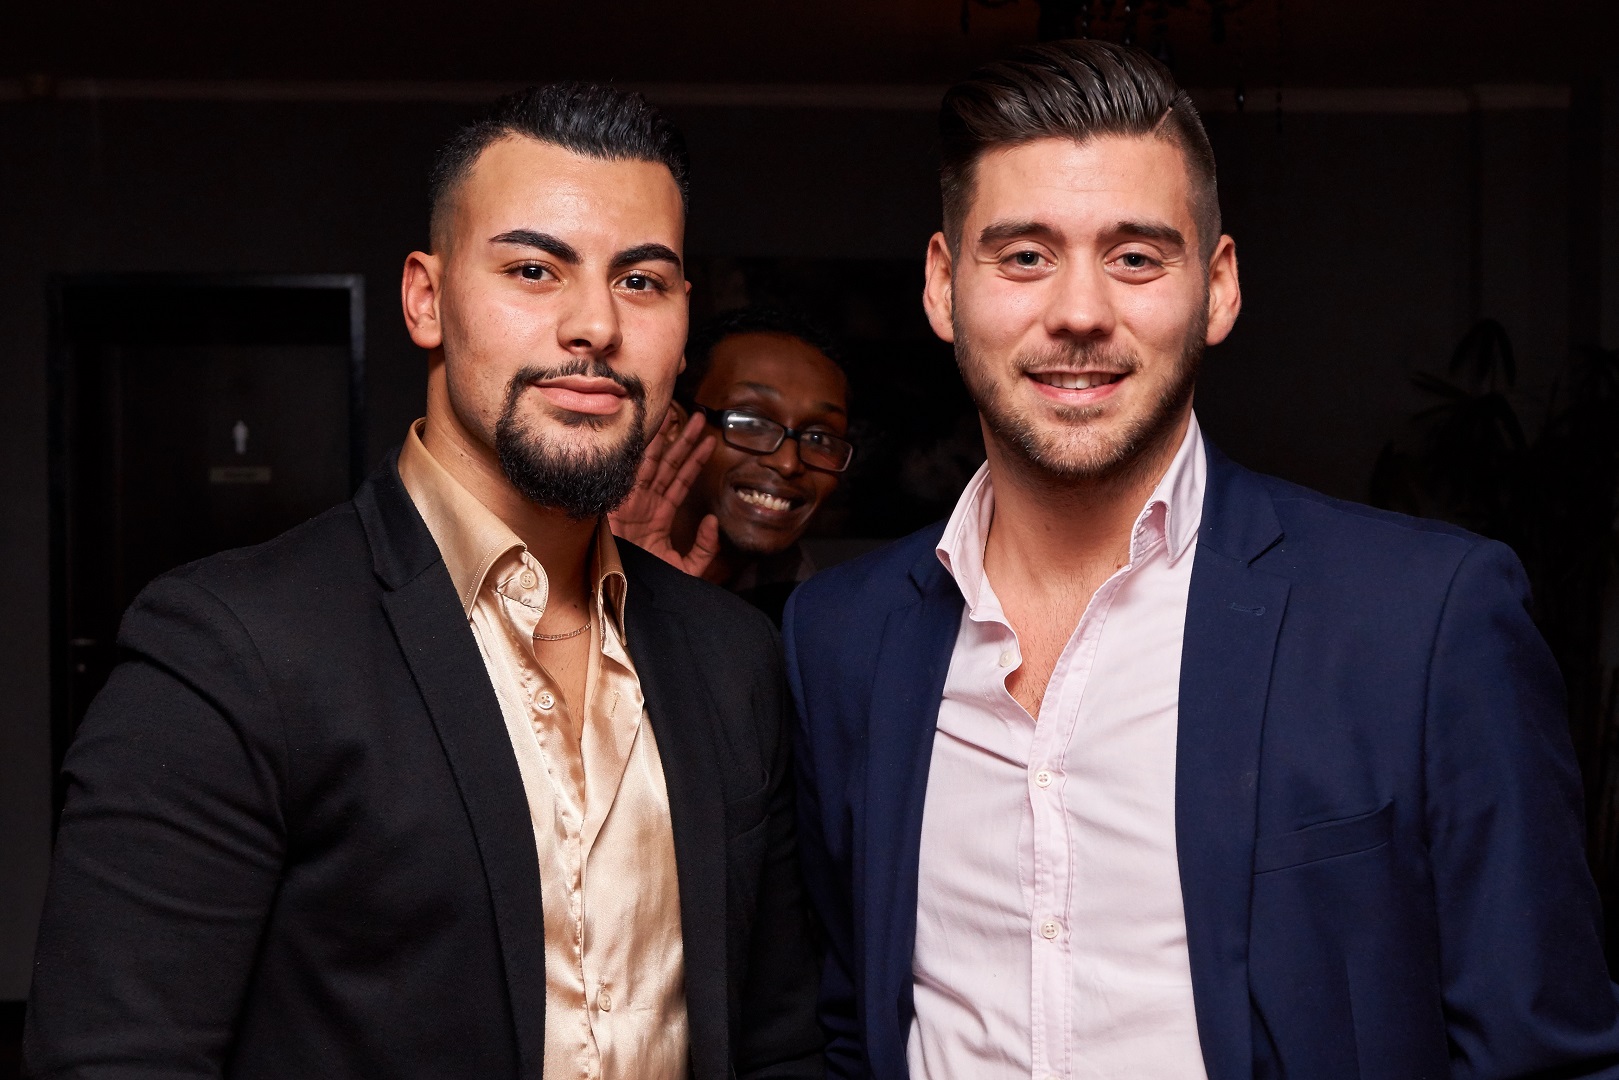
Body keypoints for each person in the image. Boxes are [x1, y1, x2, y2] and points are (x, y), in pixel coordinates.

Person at [785, 40, 1619, 1080]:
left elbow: (1547, 1057)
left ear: (1216, 288)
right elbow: (846, 1024)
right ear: (943, 285)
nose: (1079, 312)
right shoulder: (839, 638)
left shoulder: (1422, 621)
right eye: (1024, 256)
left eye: (1135, 257)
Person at [25, 84, 821, 1080]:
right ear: (425, 299)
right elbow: (117, 1058)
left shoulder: (732, 660)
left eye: (641, 281)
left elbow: (778, 1042)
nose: (594, 325)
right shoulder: (232, 649)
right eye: (533, 269)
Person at [611, 307, 852, 625]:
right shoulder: (570, 558)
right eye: (751, 422)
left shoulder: (808, 615)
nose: (788, 462)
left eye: (819, 438)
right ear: (673, 426)